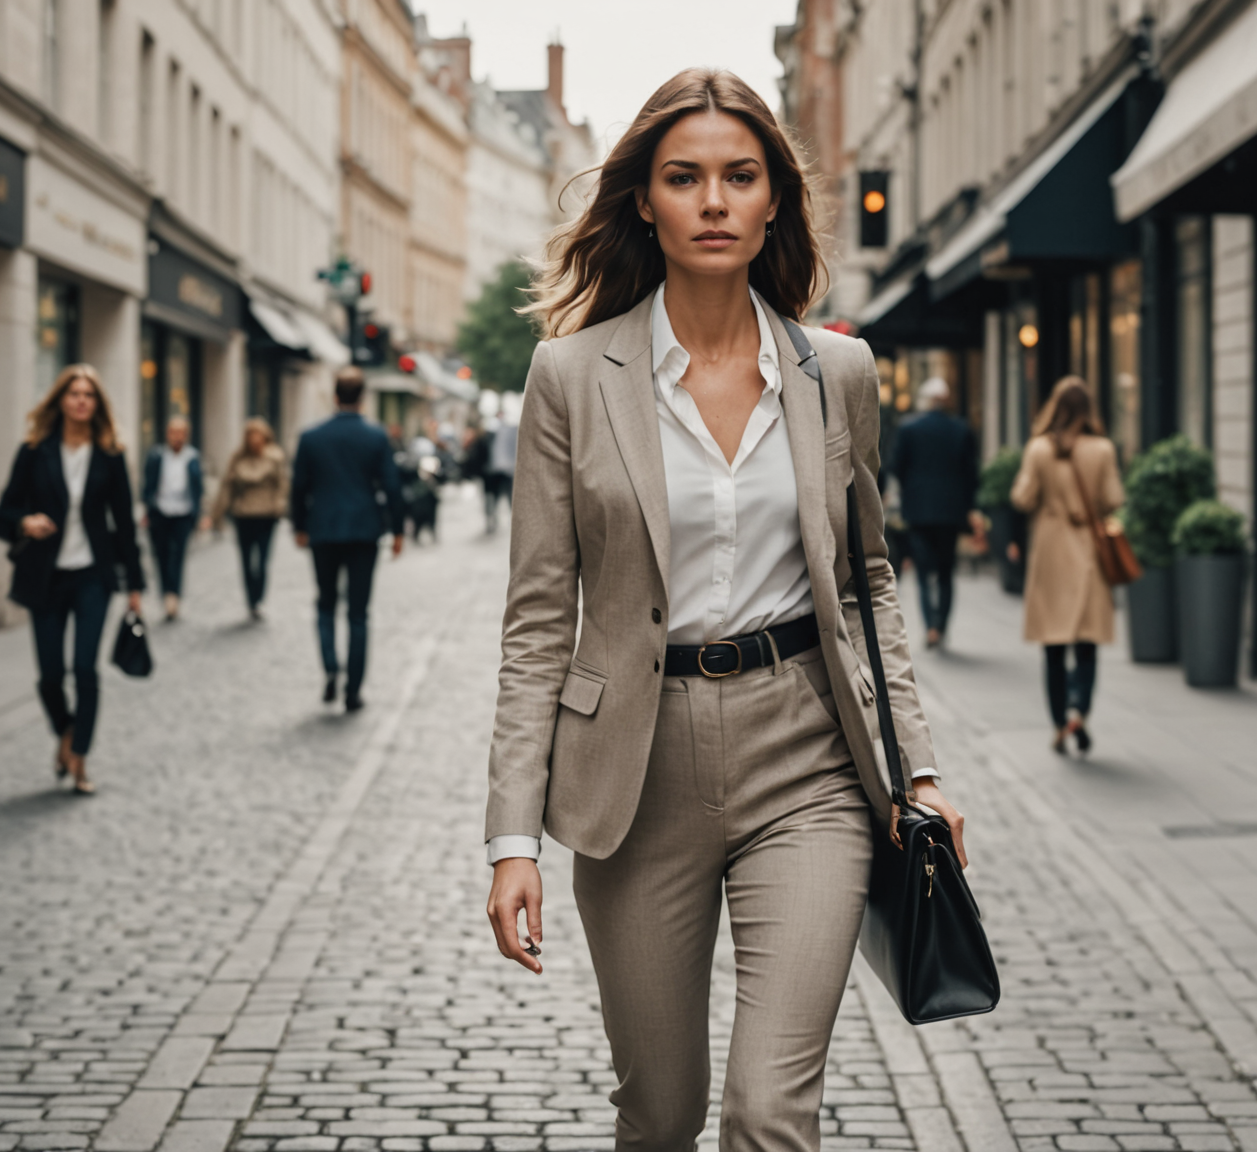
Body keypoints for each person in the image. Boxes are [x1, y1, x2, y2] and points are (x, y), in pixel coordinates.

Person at [481, 69, 966, 1152]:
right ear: (644, 201)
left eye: (739, 177)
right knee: (659, 1112)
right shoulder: (568, 377)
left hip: (808, 760)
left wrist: (917, 770)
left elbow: (866, 581)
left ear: (773, 202)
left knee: (769, 1110)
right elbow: (535, 622)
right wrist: (512, 836)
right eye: (684, 177)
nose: (713, 200)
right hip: (634, 776)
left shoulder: (837, 370)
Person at [0, 364, 145, 794]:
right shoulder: (35, 451)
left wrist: (135, 586)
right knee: (51, 675)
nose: (81, 401)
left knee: (85, 669)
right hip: (46, 578)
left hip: (93, 575)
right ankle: (66, 730)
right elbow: (0, 515)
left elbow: (125, 526)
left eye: (88, 395)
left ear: (97, 404)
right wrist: (26, 522)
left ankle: (80, 757)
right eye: (74, 393)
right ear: (60, 400)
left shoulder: (110, 455)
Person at [1011, 376, 1124, 757]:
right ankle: (1079, 708)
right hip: (1089, 551)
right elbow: (1113, 497)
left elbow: (1023, 497)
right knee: (1087, 640)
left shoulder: (1039, 448)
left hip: (1050, 551)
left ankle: (1059, 720)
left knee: (1054, 645)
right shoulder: (1103, 449)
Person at [290, 368, 406, 711]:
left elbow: (299, 487)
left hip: (323, 530)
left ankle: (330, 667)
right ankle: (353, 690)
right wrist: (398, 529)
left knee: (325, 604)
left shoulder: (311, 437)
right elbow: (392, 486)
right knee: (358, 613)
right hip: (363, 531)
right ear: (363, 397)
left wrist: (299, 525)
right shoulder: (375, 437)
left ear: (335, 395)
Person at [889, 376, 978, 647]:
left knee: (923, 571)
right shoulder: (960, 429)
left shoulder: (909, 429)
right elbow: (971, 473)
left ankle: (930, 627)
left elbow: (896, 466)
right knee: (946, 570)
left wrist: (910, 489)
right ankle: (940, 624)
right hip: (951, 511)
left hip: (919, 510)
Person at [203, 417, 291, 620]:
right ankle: (251, 600)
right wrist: (217, 515)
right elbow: (227, 487)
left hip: (266, 515)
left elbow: (282, 485)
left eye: (258, 435)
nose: (255, 439)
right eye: (251, 435)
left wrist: (280, 505)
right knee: (245, 560)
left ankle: (258, 598)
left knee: (261, 560)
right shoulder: (238, 459)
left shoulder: (275, 458)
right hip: (244, 516)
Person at [141, 416, 204, 620]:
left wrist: (201, 514)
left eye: (181, 433)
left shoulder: (192, 457)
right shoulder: (157, 456)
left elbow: (198, 489)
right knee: (161, 555)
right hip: (160, 512)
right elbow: (148, 484)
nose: (177, 437)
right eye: (173, 432)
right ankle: (166, 592)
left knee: (178, 555)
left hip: (183, 514)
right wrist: (146, 509)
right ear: (167, 434)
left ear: (186, 435)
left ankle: (173, 595)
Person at [482, 410, 518, 533]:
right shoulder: (497, 431)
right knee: (496, 498)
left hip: (500, 471)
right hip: (498, 471)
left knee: (503, 498)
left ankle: (494, 521)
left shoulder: (494, 431)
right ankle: (493, 520)